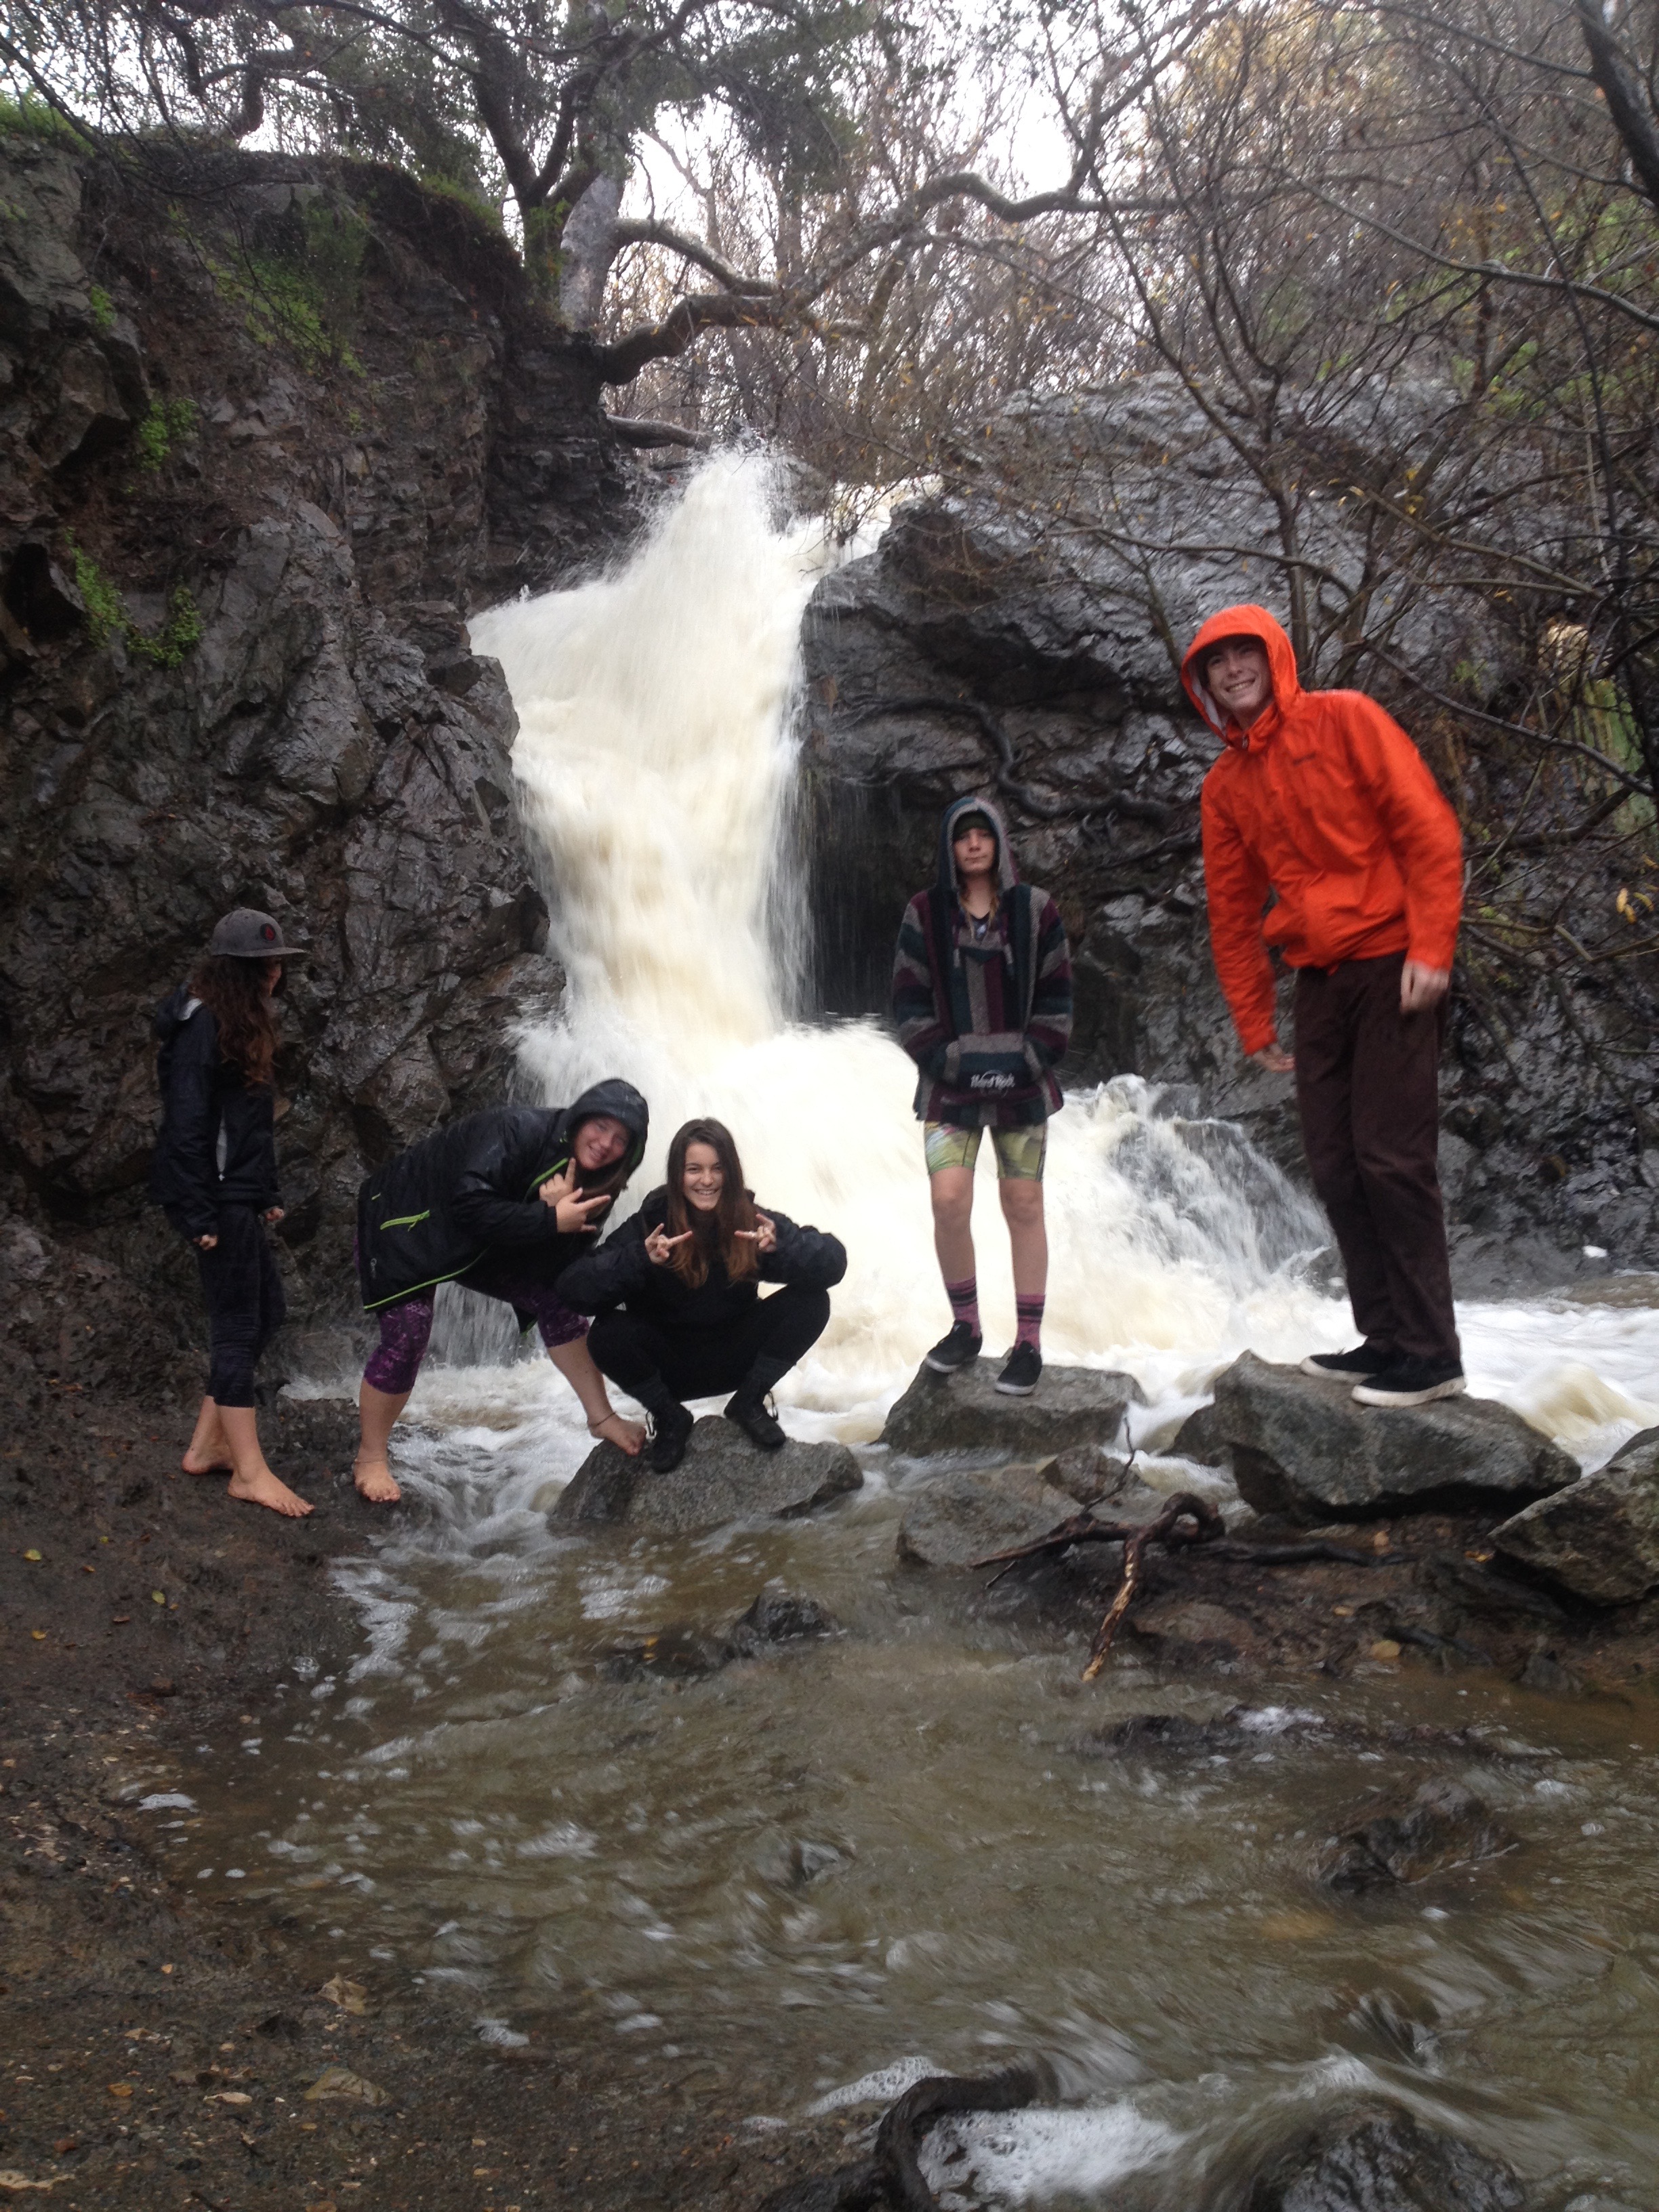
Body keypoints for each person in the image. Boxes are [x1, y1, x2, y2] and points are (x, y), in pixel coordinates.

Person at [1184, 605, 1466, 1408]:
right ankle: (1384, 1338)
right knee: (1338, 1167)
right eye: (1217, 663)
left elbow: (1427, 829)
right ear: (1202, 683)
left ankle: (1433, 1355)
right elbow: (1233, 911)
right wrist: (1254, 1019)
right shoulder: (1226, 785)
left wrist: (1432, 949)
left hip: (1390, 962)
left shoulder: (1346, 720)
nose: (1234, 669)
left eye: (1245, 654)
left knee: (1391, 1158)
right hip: (1320, 982)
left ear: (1274, 659)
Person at [352, 1080, 650, 1502]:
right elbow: (468, 1205)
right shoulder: (517, 1130)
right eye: (600, 1127)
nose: (605, 1144)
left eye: (620, 1140)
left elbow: (562, 1267)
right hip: (405, 1217)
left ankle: (601, 1418)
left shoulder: (598, 1184)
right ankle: (370, 1458)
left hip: (481, 1238)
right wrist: (546, 1218)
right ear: (580, 1119)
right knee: (409, 1335)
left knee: (559, 1301)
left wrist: (557, 1223)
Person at [891, 794, 1072, 1396]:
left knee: (1024, 1206)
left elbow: (1057, 999)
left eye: (983, 834)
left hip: (1023, 1086)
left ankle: (1028, 1343)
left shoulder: (1036, 911)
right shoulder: (924, 913)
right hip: (950, 1087)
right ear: (949, 847)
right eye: (962, 836)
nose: (973, 844)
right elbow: (909, 1002)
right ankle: (966, 1327)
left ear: (999, 843)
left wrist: (1024, 1060)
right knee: (948, 1201)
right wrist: (951, 1061)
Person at [556, 1118, 846, 1473]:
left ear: (731, 1174)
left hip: (735, 1356)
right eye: (694, 1169)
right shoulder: (651, 1224)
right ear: (678, 1175)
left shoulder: (750, 1221)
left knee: (812, 1300)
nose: (706, 1180)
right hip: (670, 1367)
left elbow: (834, 1264)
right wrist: (640, 1260)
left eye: (716, 1169)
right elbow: (574, 1291)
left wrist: (781, 1249)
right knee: (606, 1333)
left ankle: (749, 1403)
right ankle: (670, 1417)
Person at [150, 907, 313, 1518]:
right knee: (238, 1326)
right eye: (264, 966)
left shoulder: (237, 1024)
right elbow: (189, 1126)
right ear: (235, 972)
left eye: (275, 964)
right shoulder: (203, 1026)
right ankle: (249, 1472)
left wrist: (263, 1192)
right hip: (211, 1197)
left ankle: (205, 1447)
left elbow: (244, 1125)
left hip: (233, 1194)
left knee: (268, 1310)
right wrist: (201, 1214)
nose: (274, 975)